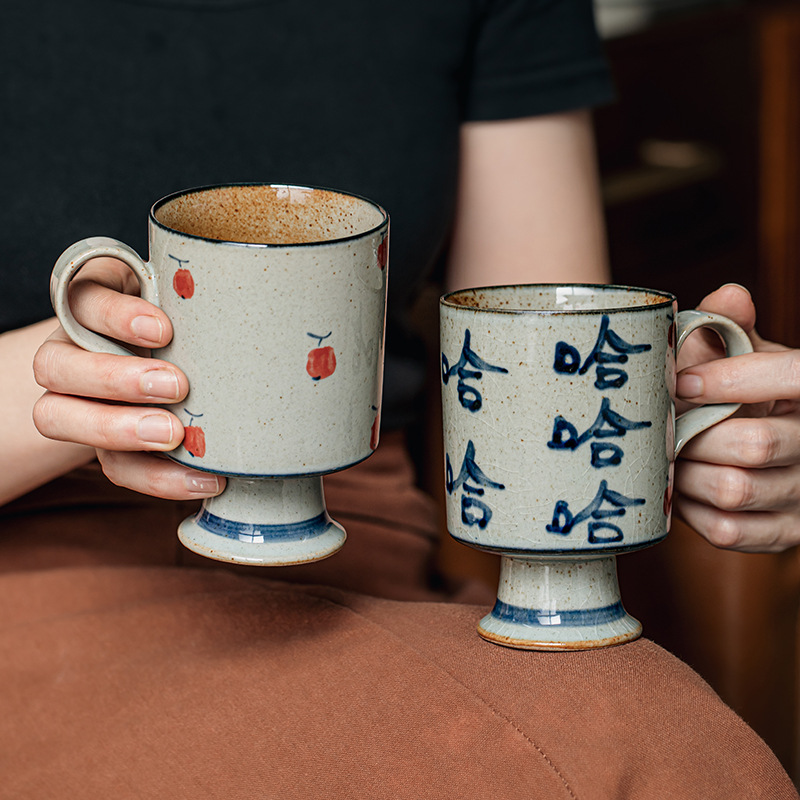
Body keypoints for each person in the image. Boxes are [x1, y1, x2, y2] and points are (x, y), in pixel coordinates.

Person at [0, 0, 797, 796]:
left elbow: (539, 347)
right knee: (649, 750)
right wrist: (83, 379)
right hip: (31, 572)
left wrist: (675, 413)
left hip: (365, 565)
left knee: (646, 739)